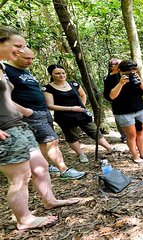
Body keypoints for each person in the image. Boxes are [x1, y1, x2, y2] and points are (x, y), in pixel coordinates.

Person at [0, 26, 79, 231]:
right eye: (17, 45)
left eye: (23, 45)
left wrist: (24, 111)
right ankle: (24, 219)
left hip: (18, 125)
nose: (21, 50)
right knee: (20, 177)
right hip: (5, 130)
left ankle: (49, 200)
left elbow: (5, 99)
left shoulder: (1, 67)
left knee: (41, 166)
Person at [5, 48, 85, 179]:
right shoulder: (6, 70)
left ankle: (45, 166)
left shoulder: (24, 71)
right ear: (15, 55)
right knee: (52, 140)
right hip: (30, 114)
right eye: (26, 58)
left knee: (43, 142)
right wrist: (24, 111)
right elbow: (3, 97)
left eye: (32, 59)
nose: (30, 61)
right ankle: (64, 170)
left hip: (42, 111)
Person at [43, 64, 114, 163]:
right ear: (51, 74)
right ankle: (81, 154)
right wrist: (71, 109)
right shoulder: (47, 88)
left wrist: (82, 106)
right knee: (71, 136)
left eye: (63, 73)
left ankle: (109, 148)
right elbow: (50, 105)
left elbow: (83, 95)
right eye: (57, 73)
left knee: (93, 130)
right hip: (64, 116)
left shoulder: (73, 84)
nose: (61, 75)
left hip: (81, 113)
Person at [103, 60, 143, 163]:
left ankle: (142, 153)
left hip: (139, 109)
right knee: (131, 135)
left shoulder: (135, 76)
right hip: (123, 112)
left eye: (133, 70)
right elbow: (110, 96)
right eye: (128, 71)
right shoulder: (111, 79)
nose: (131, 72)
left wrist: (140, 82)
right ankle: (135, 155)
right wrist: (121, 83)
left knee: (140, 133)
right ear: (120, 70)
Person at [104, 59, 127, 143]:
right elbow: (108, 93)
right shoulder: (108, 78)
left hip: (127, 100)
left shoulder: (122, 75)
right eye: (118, 64)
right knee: (119, 118)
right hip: (116, 101)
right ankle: (124, 136)